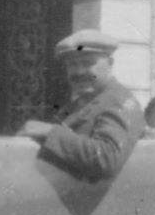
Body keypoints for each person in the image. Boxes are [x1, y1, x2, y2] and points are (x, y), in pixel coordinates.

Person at [20, 29, 145, 182]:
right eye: (72, 64)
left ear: (110, 64)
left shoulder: (119, 100)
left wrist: (50, 131)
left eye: (87, 63)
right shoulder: (79, 103)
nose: (79, 71)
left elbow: (108, 157)